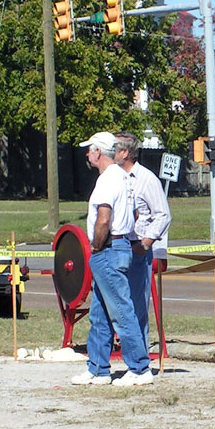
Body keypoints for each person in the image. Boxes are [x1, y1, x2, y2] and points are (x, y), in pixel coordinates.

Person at [71, 132, 151, 387]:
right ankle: (98, 368)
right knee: (101, 312)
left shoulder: (107, 180)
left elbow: (104, 217)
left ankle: (139, 368)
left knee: (121, 310)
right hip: (122, 245)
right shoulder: (123, 177)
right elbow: (136, 212)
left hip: (108, 248)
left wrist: (96, 245)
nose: (87, 154)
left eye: (90, 149)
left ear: (98, 152)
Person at [113, 131, 172, 353]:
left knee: (137, 306)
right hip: (115, 247)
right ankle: (122, 351)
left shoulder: (147, 179)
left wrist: (145, 244)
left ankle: (139, 358)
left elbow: (163, 215)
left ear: (125, 153)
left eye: (114, 149)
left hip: (137, 250)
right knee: (118, 305)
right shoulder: (113, 178)